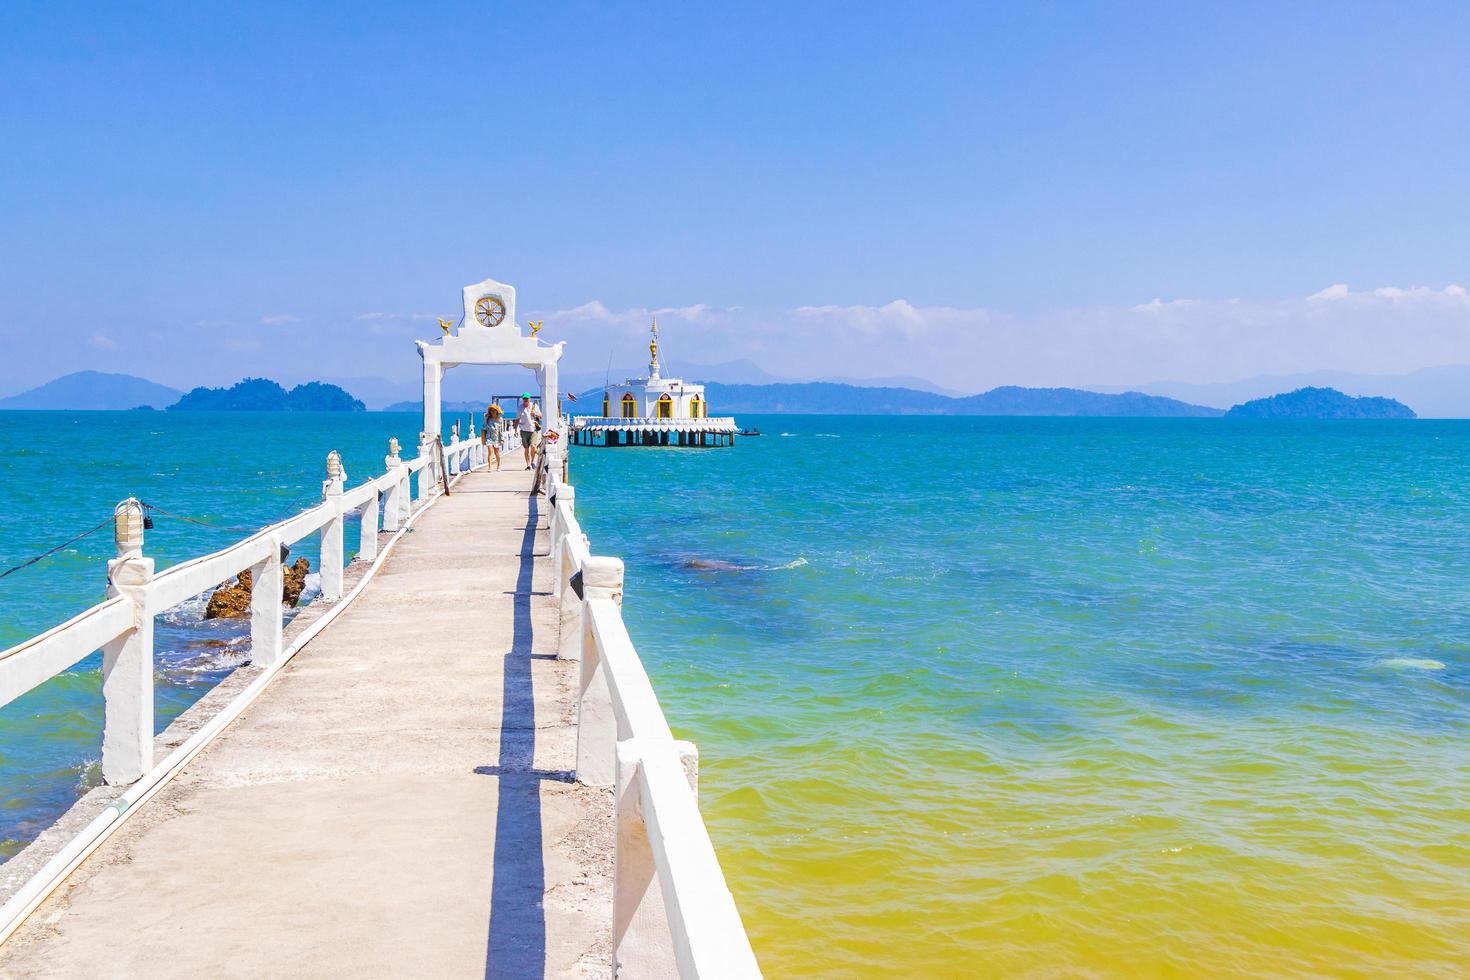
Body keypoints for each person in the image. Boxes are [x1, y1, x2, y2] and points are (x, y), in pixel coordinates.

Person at [516, 393, 542, 470]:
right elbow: (517, 419)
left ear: (529, 399)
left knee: (533, 446)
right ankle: (528, 465)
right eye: (524, 399)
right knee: (526, 448)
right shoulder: (520, 408)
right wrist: (515, 429)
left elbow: (541, 416)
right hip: (524, 430)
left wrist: (535, 414)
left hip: (533, 429)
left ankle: (532, 462)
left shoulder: (534, 406)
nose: (525, 400)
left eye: (527, 399)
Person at [482, 402, 504, 471]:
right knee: (490, 452)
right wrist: (485, 419)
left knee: (497, 453)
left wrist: (502, 438)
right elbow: (484, 427)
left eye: (494, 410)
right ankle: (490, 467)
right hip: (489, 437)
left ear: (497, 411)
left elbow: (501, 429)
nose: (493, 412)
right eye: (491, 410)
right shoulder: (488, 419)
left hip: (496, 438)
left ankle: (498, 466)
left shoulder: (500, 419)